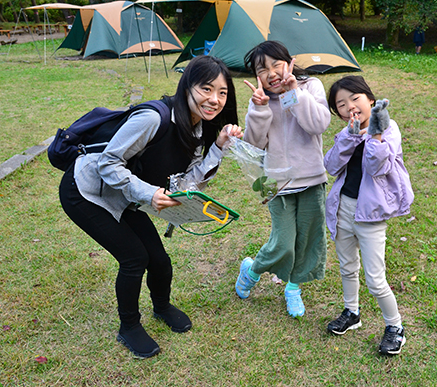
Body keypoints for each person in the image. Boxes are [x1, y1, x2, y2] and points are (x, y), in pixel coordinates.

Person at [59, 55, 243, 359]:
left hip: (125, 194)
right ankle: (128, 327)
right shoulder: (154, 118)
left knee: (158, 259)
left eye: (222, 92)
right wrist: (147, 192)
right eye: (206, 89)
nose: (215, 99)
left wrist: (219, 147)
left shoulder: (197, 130)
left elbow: (187, 183)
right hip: (86, 190)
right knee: (134, 258)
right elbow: (108, 163)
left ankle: (162, 307)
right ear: (187, 87)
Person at [234, 40, 330, 318]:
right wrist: (260, 109)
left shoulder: (310, 87)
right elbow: (254, 144)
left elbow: (318, 125)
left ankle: (292, 288)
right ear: (256, 76)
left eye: (276, 64)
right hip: (276, 184)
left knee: (308, 239)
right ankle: (251, 270)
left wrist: (294, 93)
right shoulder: (260, 100)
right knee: (284, 242)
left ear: (290, 62)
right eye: (262, 69)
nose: (271, 73)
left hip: (311, 178)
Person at [323, 76, 414, 356]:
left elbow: (377, 167)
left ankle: (395, 327)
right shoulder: (347, 131)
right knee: (347, 267)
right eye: (341, 103)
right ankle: (352, 312)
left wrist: (374, 134)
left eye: (355, 98)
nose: (350, 106)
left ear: (370, 100)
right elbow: (331, 165)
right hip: (344, 208)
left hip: (370, 215)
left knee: (375, 279)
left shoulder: (389, 129)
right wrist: (349, 137)